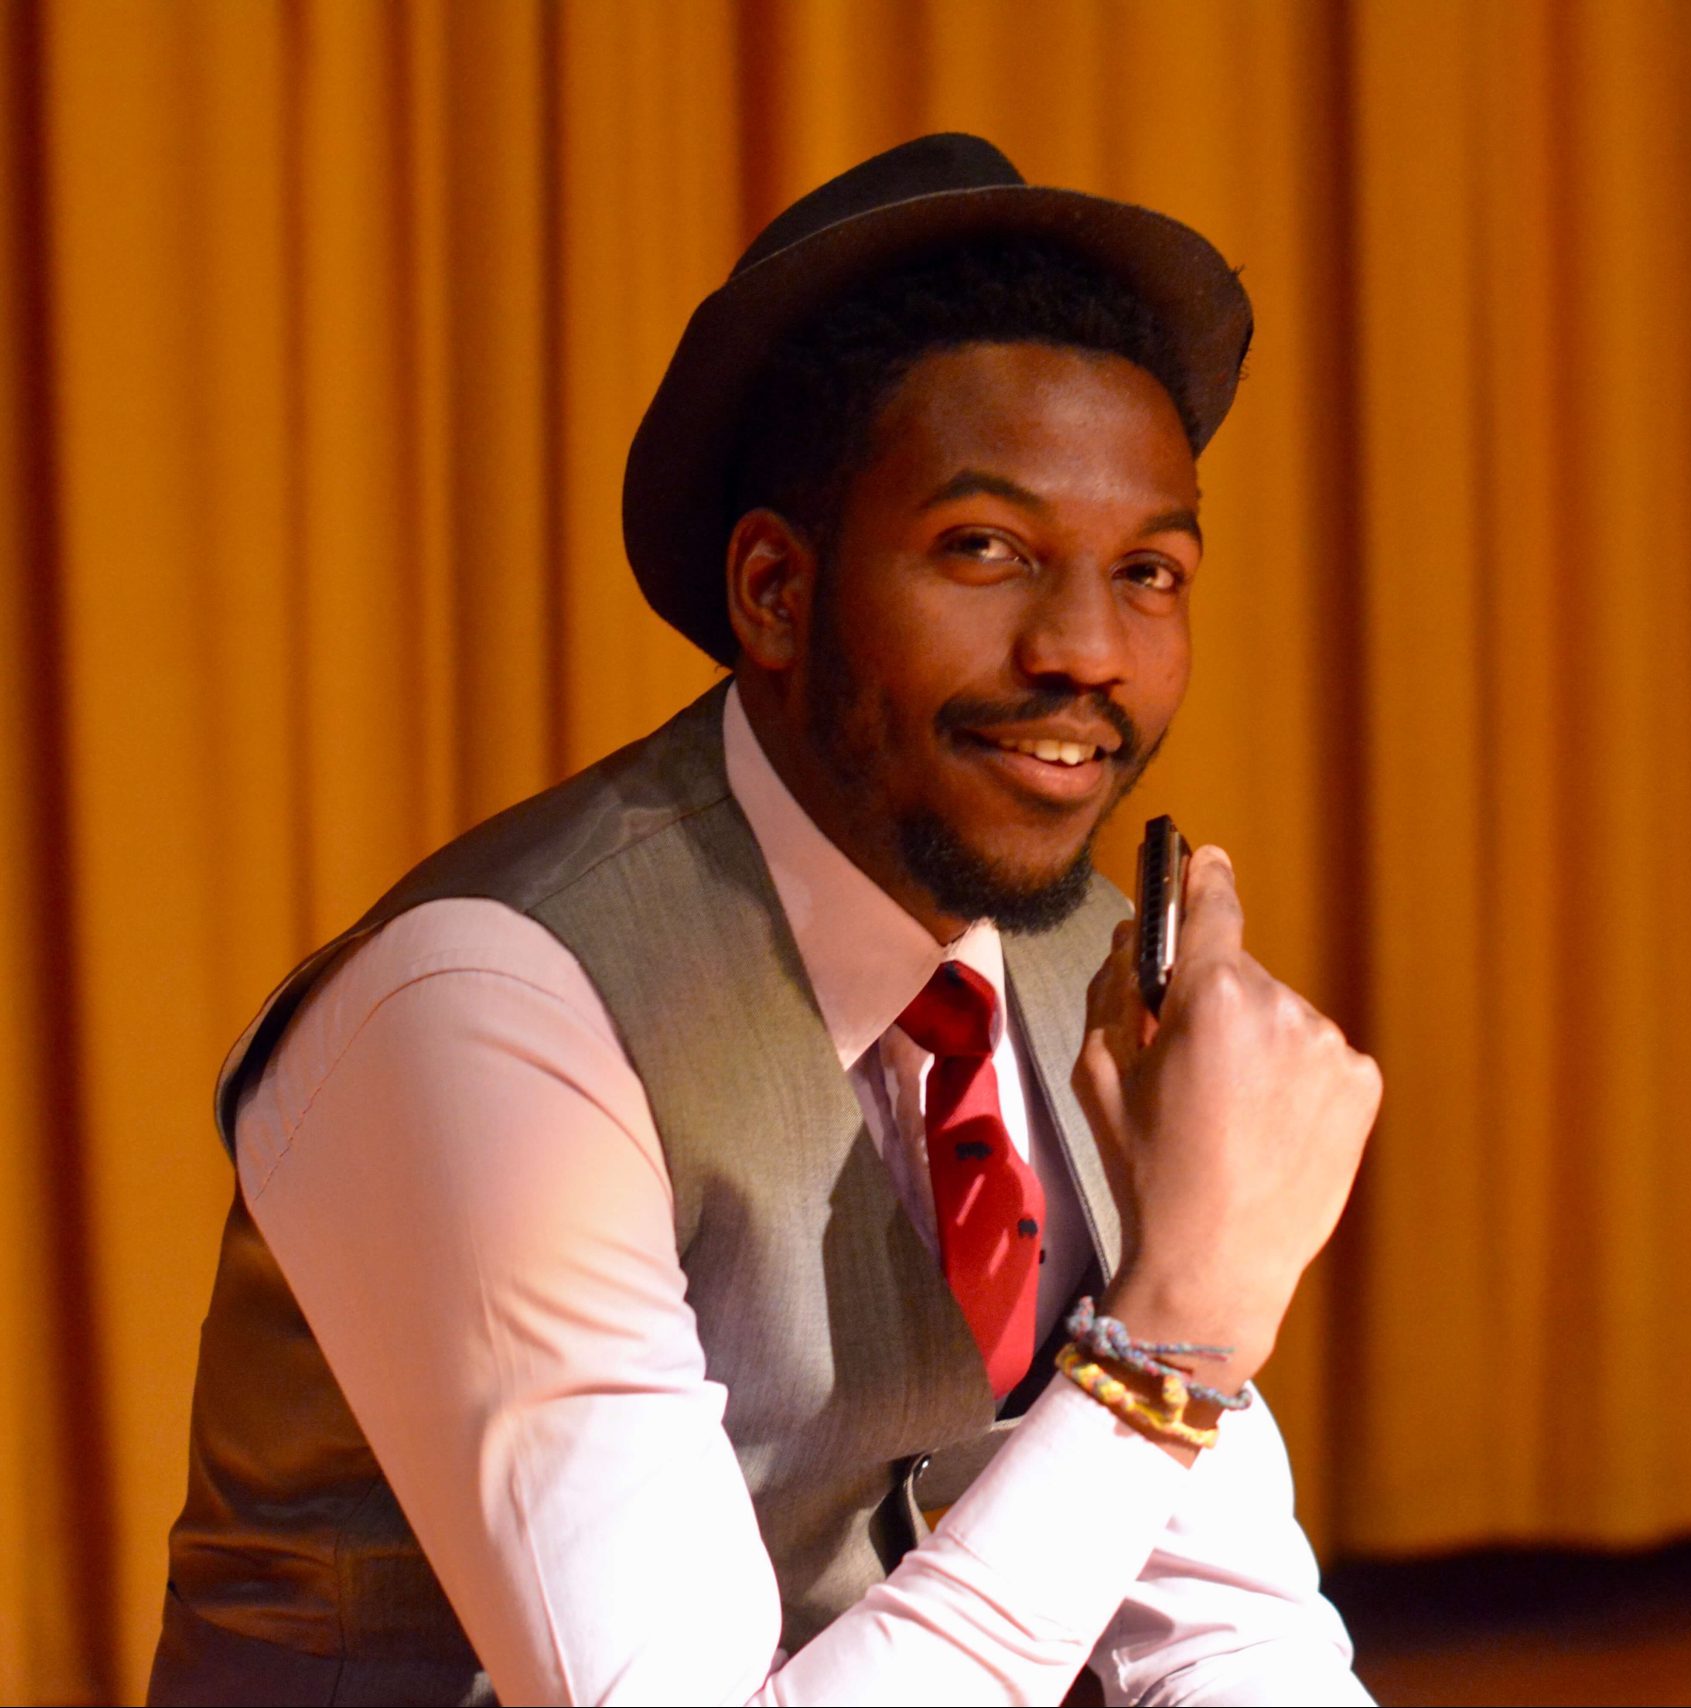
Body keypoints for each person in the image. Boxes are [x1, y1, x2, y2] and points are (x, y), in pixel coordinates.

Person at [149, 133, 1382, 1707]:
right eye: (986, 550)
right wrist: (1170, 1344)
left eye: (1150, 571)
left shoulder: (1082, 953)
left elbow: (1229, 1633)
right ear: (775, 595)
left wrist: (1179, 1344)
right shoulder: (493, 1009)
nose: (1087, 649)